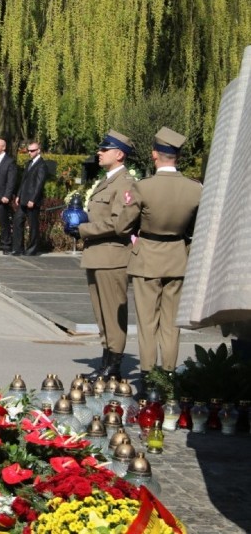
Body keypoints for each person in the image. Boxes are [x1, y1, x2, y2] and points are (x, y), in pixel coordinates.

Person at [115, 127, 202, 390]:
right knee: (171, 323)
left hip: (148, 258)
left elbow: (122, 227)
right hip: (177, 257)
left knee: (147, 322)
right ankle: (169, 374)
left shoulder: (143, 188)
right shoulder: (195, 189)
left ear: (155, 154)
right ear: (177, 156)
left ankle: (148, 376)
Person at [74, 129, 136, 380]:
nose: (99, 153)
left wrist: (83, 229)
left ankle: (114, 365)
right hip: (97, 256)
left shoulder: (125, 184)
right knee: (102, 314)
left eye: (105, 149)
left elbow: (119, 223)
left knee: (113, 313)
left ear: (119, 154)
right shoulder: (106, 181)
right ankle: (106, 362)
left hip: (113, 258)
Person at [12, 140, 49, 256]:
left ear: (38, 151)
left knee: (33, 225)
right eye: (28, 150)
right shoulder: (29, 163)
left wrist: (33, 199)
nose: (30, 153)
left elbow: (39, 184)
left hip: (32, 200)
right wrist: (18, 195)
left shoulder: (42, 165)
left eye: (32, 150)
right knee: (18, 221)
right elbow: (24, 181)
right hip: (23, 198)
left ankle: (32, 249)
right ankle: (18, 248)